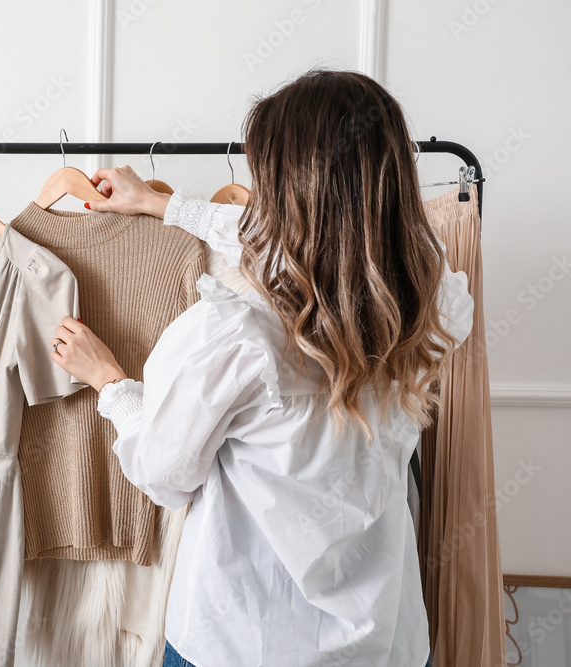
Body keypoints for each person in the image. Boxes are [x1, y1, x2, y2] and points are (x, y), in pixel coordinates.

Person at [48, 69, 473, 667]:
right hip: (383, 644)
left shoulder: (235, 336)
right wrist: (167, 207)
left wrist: (111, 383)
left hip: (242, 645)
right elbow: (330, 245)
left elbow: (165, 473)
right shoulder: (436, 310)